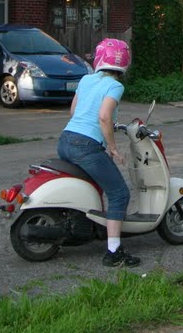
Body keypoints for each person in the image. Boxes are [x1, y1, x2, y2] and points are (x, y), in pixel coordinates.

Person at [57, 38, 140, 267]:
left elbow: (73, 111)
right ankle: (114, 251)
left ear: (99, 58)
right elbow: (104, 117)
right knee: (119, 193)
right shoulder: (115, 86)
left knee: (93, 184)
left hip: (65, 140)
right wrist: (112, 148)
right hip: (86, 146)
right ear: (124, 62)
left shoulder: (85, 79)